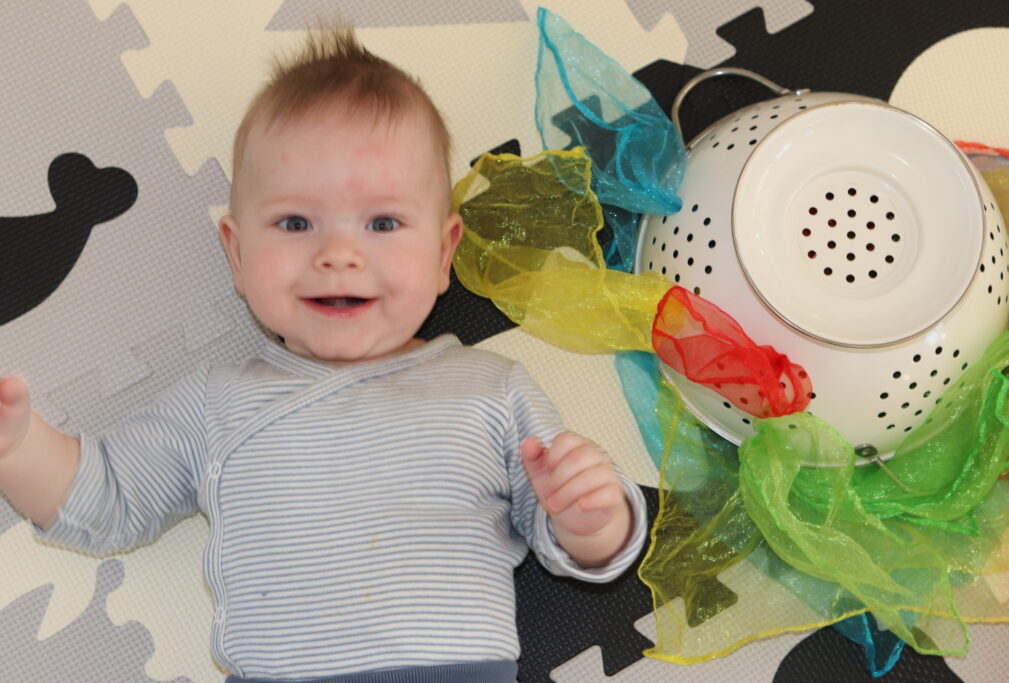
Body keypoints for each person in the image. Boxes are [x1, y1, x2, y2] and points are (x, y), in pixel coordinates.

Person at [0, 26, 646, 683]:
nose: (339, 254)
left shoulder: (492, 390)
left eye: (383, 223)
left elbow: (568, 532)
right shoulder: (216, 403)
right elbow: (105, 497)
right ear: (238, 253)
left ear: (442, 252)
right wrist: (19, 446)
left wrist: (594, 516)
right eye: (296, 223)